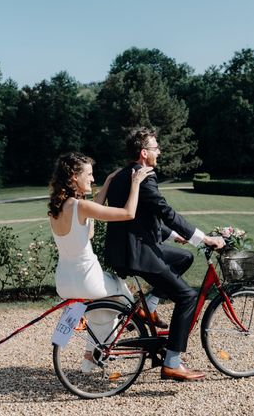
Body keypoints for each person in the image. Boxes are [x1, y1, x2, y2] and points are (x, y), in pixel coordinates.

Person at [104, 127, 225, 382]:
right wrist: (202, 238)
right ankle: (172, 362)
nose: (160, 151)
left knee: (182, 258)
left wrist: (173, 236)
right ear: (144, 153)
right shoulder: (144, 176)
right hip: (138, 253)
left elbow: (142, 217)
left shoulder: (123, 175)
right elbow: (165, 211)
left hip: (128, 249)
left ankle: (150, 305)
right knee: (188, 296)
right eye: (156, 148)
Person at [48, 152, 152, 372]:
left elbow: (89, 227)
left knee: (100, 312)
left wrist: (106, 184)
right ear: (74, 177)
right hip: (88, 280)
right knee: (124, 296)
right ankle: (135, 323)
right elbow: (127, 213)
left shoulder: (57, 209)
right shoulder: (79, 207)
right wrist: (135, 183)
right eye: (89, 174)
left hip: (65, 282)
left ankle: (89, 359)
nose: (92, 179)